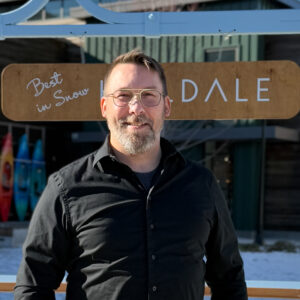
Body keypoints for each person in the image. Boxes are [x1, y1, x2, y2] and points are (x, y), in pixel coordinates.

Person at [15, 49, 248, 300]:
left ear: (166, 107)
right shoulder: (66, 187)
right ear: (104, 107)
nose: (136, 108)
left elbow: (229, 281)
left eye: (149, 95)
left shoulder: (201, 185)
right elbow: (33, 287)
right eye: (123, 96)